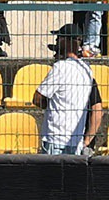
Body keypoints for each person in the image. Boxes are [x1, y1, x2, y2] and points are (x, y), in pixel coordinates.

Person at [34, 24, 99, 154]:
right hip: (76, 141)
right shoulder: (87, 70)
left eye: (58, 39)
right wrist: (86, 141)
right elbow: (97, 108)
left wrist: (50, 105)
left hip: (55, 139)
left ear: (64, 40)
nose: (57, 42)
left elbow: (37, 98)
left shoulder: (60, 67)